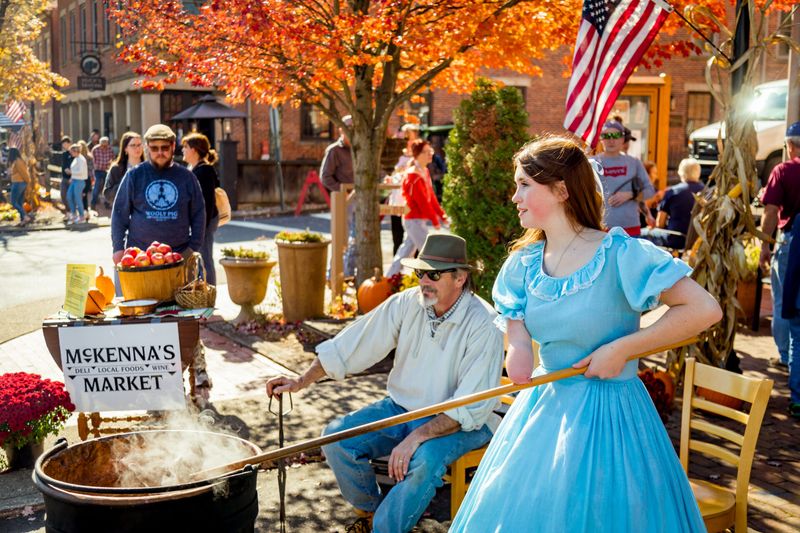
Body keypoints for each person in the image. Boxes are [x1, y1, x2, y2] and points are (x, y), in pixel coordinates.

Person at [450, 136, 722, 532]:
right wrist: (520, 347)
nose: (514, 196)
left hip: (614, 419)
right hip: (545, 412)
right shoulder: (522, 264)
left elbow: (704, 309)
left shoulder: (623, 255)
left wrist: (623, 348)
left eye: (525, 184)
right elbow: (516, 323)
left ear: (561, 190)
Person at [266, 234, 503, 533]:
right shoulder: (408, 303)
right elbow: (353, 345)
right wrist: (301, 381)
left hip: (467, 421)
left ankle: (385, 529)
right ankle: (371, 516)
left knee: (424, 460)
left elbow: (469, 406)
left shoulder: (484, 324)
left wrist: (415, 437)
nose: (424, 281)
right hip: (403, 408)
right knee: (336, 438)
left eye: (434, 274)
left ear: (460, 278)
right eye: (420, 272)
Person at [111, 124, 205, 265]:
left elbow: (199, 213)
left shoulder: (187, 177)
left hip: (178, 256)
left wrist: (193, 247)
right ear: (147, 147)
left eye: (165, 148)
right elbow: (119, 213)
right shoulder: (134, 175)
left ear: (173, 146)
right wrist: (118, 248)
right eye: (154, 148)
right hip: (140, 257)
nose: (160, 152)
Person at [759, 121, 800, 418]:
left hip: (792, 243)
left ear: (790, 146)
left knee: (788, 307)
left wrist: (764, 245)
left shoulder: (783, 171)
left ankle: (786, 359)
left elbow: (771, 211)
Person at [386, 140, 447, 277]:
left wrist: (441, 215)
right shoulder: (413, 174)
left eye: (430, 151)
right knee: (429, 253)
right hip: (413, 220)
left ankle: (389, 278)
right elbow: (423, 202)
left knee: (405, 252)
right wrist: (436, 221)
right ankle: (435, 280)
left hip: (416, 220)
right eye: (426, 152)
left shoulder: (423, 171)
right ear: (418, 155)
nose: (430, 154)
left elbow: (431, 196)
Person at [591, 121, 655, 236]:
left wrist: (630, 195)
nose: (611, 140)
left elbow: (650, 191)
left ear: (622, 139)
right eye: (606, 136)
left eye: (615, 136)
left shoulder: (634, 162)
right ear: (601, 139)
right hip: (600, 227)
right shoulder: (592, 162)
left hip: (630, 227)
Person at [181, 132, 220, 285]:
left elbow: (207, 204)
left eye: (186, 147)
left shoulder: (205, 170)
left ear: (195, 150)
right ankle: (201, 291)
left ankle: (209, 292)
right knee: (199, 258)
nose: (182, 150)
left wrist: (201, 228)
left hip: (205, 221)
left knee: (205, 258)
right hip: (198, 221)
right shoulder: (193, 168)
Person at [641, 158, 705, 250]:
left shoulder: (673, 191)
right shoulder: (707, 193)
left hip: (675, 239)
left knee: (638, 234)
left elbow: (659, 224)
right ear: (698, 173)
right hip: (699, 241)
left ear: (681, 173)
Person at [320, 115, 356, 277]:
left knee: (357, 238)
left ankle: (349, 273)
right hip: (343, 200)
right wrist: (343, 191)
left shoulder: (359, 149)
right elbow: (325, 177)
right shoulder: (334, 150)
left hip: (360, 199)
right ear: (341, 129)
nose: (352, 131)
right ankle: (332, 274)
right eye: (348, 127)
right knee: (342, 238)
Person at [103, 132, 143, 205]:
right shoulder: (116, 169)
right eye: (133, 145)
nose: (137, 148)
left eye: (139, 145)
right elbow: (108, 195)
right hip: (124, 212)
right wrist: (126, 181)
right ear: (125, 149)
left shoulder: (148, 167)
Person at [65, 144, 88, 225]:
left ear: (75, 151)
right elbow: (75, 171)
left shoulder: (81, 159)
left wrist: (71, 172)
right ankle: (74, 214)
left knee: (78, 199)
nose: (70, 153)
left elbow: (81, 172)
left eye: (71, 152)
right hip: (75, 180)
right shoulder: (76, 158)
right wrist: (72, 177)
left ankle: (82, 216)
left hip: (79, 181)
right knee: (69, 196)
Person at [91, 136, 115, 210]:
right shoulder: (95, 149)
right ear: (100, 143)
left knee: (107, 187)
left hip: (107, 170)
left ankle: (107, 203)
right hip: (98, 170)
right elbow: (92, 160)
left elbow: (113, 158)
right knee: (97, 186)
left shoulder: (110, 149)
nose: (104, 146)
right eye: (102, 144)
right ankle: (93, 203)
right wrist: (94, 168)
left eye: (105, 144)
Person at [8, 148, 31, 226]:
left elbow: (24, 172)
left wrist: (28, 182)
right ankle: (23, 221)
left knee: (13, 202)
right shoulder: (16, 161)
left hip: (18, 183)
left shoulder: (18, 161)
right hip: (20, 183)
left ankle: (25, 216)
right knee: (20, 203)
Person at [77, 140, 95, 220]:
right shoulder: (76, 157)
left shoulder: (88, 157)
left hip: (86, 178)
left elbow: (91, 168)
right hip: (78, 178)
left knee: (84, 195)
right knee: (79, 195)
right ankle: (82, 212)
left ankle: (86, 212)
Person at [59, 136, 73, 215]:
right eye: (63, 144)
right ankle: (68, 211)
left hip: (72, 178)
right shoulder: (64, 154)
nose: (64, 146)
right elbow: (64, 165)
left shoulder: (73, 153)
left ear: (69, 143)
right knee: (63, 195)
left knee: (71, 196)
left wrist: (72, 172)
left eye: (65, 144)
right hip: (64, 177)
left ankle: (72, 212)